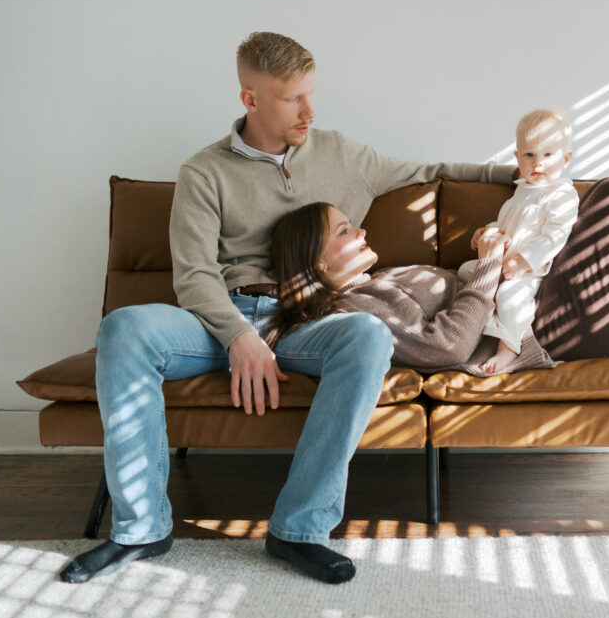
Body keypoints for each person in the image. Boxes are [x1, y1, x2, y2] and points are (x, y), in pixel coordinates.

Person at [58, 32, 517, 586]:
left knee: (368, 335)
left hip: (305, 321)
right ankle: (140, 529)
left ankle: (299, 529)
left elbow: (431, 170)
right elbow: (195, 276)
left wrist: (527, 177)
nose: (310, 110)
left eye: (311, 94)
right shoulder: (204, 172)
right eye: (292, 98)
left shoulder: (341, 154)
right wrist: (238, 337)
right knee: (125, 326)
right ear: (250, 99)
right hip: (216, 320)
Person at [263, 203, 555, 376]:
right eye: (343, 231)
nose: (361, 231)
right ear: (318, 262)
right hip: (532, 329)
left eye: (351, 225)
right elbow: (446, 346)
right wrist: (489, 262)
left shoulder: (379, 279)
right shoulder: (358, 308)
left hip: (526, 293)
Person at [458, 110, 580, 373]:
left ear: (565, 158)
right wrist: (486, 232)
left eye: (548, 155)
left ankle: (508, 349)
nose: (538, 163)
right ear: (517, 157)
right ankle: (480, 324)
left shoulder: (561, 194)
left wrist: (523, 262)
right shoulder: (521, 190)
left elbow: (555, 235)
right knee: (464, 271)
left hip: (530, 271)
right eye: (529, 155)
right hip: (501, 263)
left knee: (510, 294)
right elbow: (507, 225)